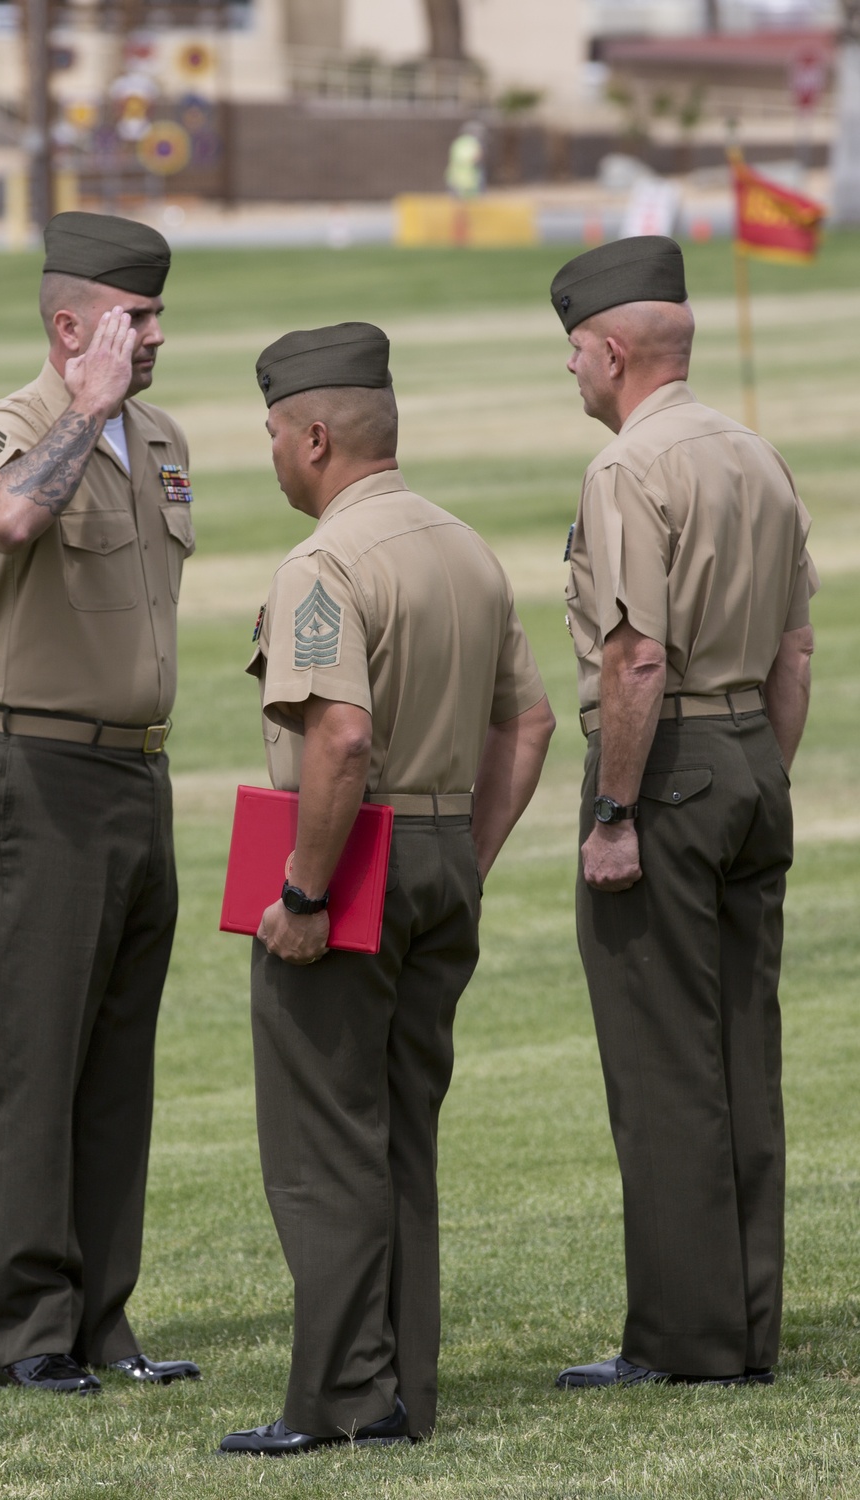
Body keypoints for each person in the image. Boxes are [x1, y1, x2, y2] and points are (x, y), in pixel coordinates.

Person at [217, 322, 555, 1455]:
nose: (267, 453)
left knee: (324, 1143)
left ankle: (340, 1400)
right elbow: (531, 720)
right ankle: (403, 1384)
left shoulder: (328, 561)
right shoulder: (462, 546)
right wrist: (465, 855)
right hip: (442, 853)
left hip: (351, 863)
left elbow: (343, 739)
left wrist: (306, 895)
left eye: (271, 433)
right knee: (403, 1133)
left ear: (314, 436)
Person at [549, 236, 817, 1388]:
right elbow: (797, 649)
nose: (568, 373)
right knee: (740, 1060)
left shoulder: (628, 468)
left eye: (570, 354)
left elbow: (637, 656)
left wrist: (616, 810)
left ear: (610, 350)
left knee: (663, 1070)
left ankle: (682, 1340)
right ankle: (746, 1322)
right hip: (753, 754)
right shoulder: (755, 452)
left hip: (668, 766)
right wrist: (762, 769)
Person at [0, 212, 201, 1395]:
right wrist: (85, 409)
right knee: (38, 1061)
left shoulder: (159, 438)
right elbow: (9, 519)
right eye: (134, 317)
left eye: (154, 315)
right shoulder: (20, 430)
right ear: (72, 326)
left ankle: (106, 1320)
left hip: (138, 776)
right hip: (39, 780)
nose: (154, 335)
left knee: (118, 1065)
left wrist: (116, 415)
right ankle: (30, 1333)